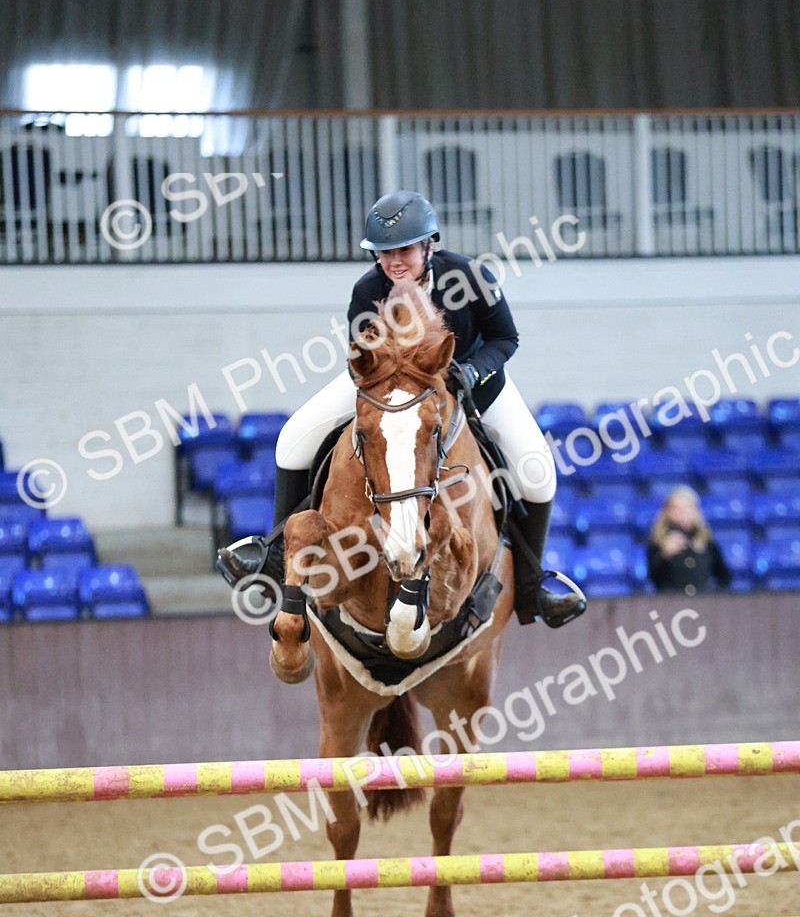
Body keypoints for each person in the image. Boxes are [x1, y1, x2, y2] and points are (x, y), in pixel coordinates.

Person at [217, 190, 586, 627]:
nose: (394, 262)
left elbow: (506, 339)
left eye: (405, 250)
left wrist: (471, 371)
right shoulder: (367, 291)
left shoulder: (470, 276)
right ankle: (276, 556)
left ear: (429, 246)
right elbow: (359, 356)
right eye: (385, 252)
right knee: (292, 439)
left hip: (475, 388)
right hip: (388, 391)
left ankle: (531, 586)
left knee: (538, 472)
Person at [647, 486, 731, 596]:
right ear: (667, 511)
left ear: (696, 511)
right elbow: (652, 579)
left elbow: (724, 576)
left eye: (687, 508)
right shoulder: (658, 540)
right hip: (671, 602)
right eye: (676, 508)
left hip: (702, 601)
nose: (681, 513)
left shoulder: (706, 540)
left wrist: (716, 597)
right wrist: (664, 555)